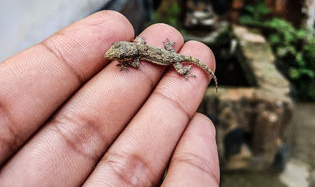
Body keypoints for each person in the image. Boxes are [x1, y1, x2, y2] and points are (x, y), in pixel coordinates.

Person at [0, 10, 220, 186]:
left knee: (183, 71)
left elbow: (135, 62)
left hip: (173, 58)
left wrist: (183, 69)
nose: (115, 56)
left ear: (128, 52)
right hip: (169, 51)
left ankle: (194, 72)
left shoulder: (137, 54)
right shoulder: (139, 48)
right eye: (117, 52)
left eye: (119, 55)